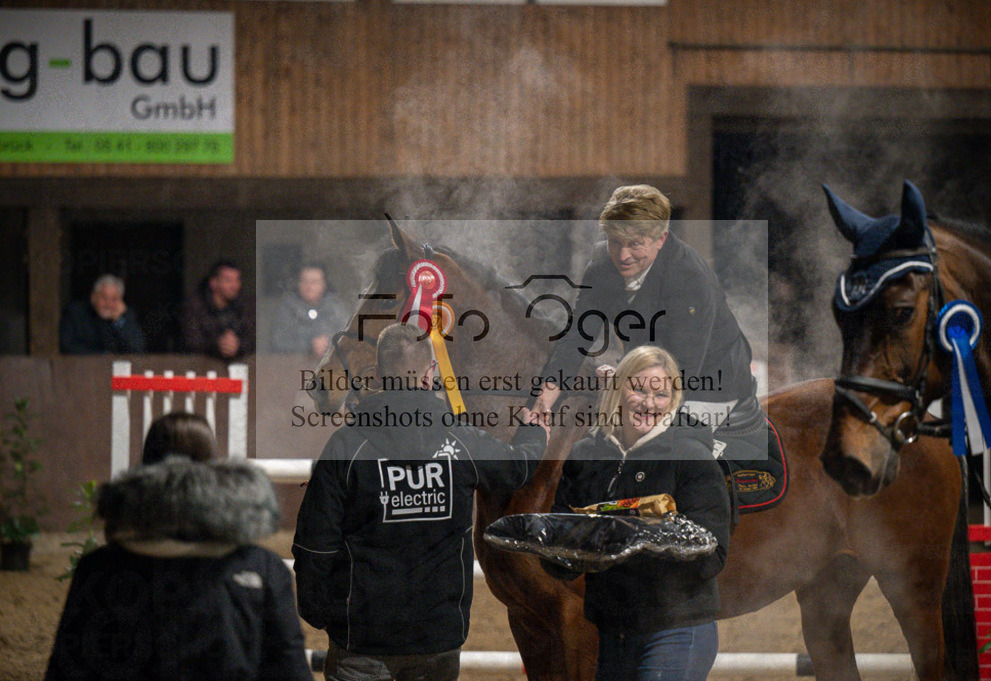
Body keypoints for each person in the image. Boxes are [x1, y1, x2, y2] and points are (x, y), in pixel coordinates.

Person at [292, 323, 549, 681]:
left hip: (361, 641)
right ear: (431, 373)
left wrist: (323, 616)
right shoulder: (461, 440)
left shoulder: (346, 447)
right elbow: (517, 468)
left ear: (380, 374)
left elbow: (314, 545)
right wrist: (535, 428)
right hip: (436, 641)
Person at [45, 412, 312, 681]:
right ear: (213, 467)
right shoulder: (262, 568)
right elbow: (290, 670)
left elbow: (66, 670)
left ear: (145, 467)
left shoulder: (98, 568)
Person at [545, 345, 730, 681]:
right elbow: (558, 557)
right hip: (613, 630)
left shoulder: (691, 456)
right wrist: (551, 542)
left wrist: (642, 540)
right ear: (617, 390)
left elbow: (713, 555)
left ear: (673, 399)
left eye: (661, 394)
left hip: (677, 626)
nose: (649, 403)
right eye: (638, 389)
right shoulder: (586, 454)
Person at [534, 184, 764, 435]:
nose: (623, 255)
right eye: (615, 242)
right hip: (646, 373)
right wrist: (546, 395)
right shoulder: (602, 264)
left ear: (661, 239)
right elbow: (577, 336)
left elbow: (683, 369)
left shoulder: (690, 277)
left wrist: (625, 381)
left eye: (635, 244)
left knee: (657, 449)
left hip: (710, 384)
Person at [181, 259, 256, 359]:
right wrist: (217, 345)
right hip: (203, 367)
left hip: (240, 366)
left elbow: (254, 339)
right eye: (228, 280)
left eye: (237, 280)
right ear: (213, 283)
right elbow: (191, 341)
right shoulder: (195, 306)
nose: (234, 286)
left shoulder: (246, 306)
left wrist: (238, 346)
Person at [269, 264, 349, 356]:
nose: (309, 287)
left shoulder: (336, 308)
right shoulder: (286, 308)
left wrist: (327, 345)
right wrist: (309, 346)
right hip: (293, 366)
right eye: (304, 281)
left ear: (324, 284)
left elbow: (348, 339)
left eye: (314, 282)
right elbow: (277, 343)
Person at [59, 274, 146, 354]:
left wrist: (119, 320)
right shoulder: (75, 313)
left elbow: (137, 348)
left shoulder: (126, 317)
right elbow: (67, 346)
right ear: (93, 297)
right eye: (104, 298)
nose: (108, 304)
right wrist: (102, 355)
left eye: (114, 299)